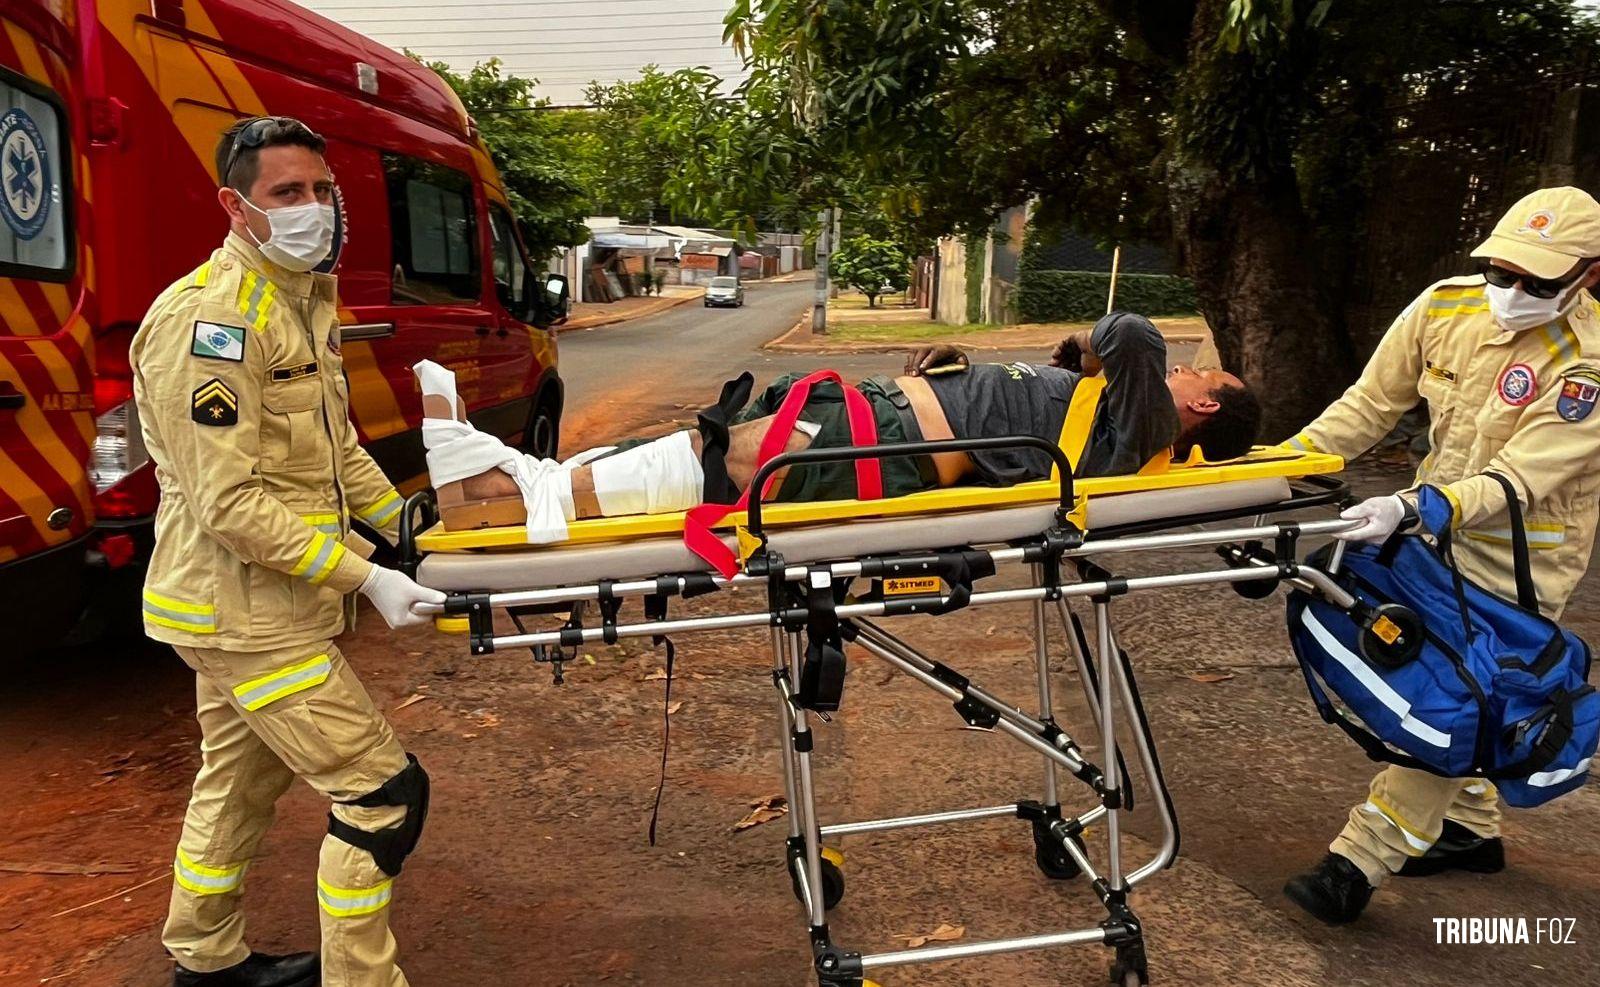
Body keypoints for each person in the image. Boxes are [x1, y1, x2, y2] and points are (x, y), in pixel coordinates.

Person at [131, 116, 446, 987]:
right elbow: (230, 502)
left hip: (263, 604)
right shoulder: (213, 321)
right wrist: (368, 576)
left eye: (321, 190)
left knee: (239, 780)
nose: (314, 209)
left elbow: (335, 449)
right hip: (238, 612)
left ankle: (203, 958)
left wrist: (411, 528)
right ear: (236, 205)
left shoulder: (302, 295)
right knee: (383, 795)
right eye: (287, 193)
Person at [1280, 186, 1600, 924]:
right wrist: (1275, 467)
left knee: (1450, 698)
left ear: (1586, 275)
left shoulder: (1585, 365)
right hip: (1433, 538)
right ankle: (1472, 829)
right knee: (1481, 691)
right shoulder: (1445, 306)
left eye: (1538, 282)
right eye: (1503, 271)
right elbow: (1368, 405)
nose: (1513, 292)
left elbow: (1521, 478)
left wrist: (1413, 505)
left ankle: (1357, 860)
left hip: (1523, 557)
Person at [417, 312, 1262, 535]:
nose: (1184, 366)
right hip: (878, 421)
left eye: (1203, 372)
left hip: (879, 444)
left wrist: (1083, 346)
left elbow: (1131, 334)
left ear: (1204, 407)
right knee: (706, 440)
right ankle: (520, 483)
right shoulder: (1120, 416)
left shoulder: (1146, 428)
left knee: (727, 464)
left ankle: (503, 500)